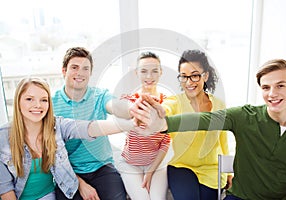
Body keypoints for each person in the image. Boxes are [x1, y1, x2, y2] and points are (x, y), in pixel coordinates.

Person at [131, 58, 286, 200]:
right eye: (266, 87)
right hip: (240, 196)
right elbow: (204, 119)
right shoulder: (245, 116)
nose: (272, 94)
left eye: (280, 86)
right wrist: (164, 123)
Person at [0, 77, 135, 200]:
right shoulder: (3, 138)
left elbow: (90, 128)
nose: (37, 105)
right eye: (29, 99)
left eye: (43, 100)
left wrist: (131, 124)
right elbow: (5, 190)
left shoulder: (57, 126)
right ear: (18, 102)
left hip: (48, 195)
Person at [52, 47, 128, 200]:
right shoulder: (51, 104)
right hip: (69, 172)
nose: (80, 73)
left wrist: (132, 109)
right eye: (74, 67)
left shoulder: (100, 95)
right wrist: (79, 184)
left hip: (102, 168)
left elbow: (116, 106)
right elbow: (52, 156)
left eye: (85, 68)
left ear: (90, 73)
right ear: (63, 70)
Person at [161, 49, 231, 200]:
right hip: (181, 166)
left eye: (194, 76)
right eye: (184, 77)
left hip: (211, 169)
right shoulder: (174, 102)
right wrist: (156, 110)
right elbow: (164, 110)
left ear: (205, 76)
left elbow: (223, 141)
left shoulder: (219, 105)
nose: (189, 82)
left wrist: (229, 172)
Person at [116, 51, 171, 200]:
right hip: (130, 163)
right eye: (144, 71)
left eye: (154, 71)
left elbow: (166, 141)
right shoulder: (128, 100)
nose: (149, 76)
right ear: (136, 73)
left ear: (161, 72)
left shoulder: (168, 103)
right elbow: (119, 118)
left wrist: (150, 171)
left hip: (156, 163)